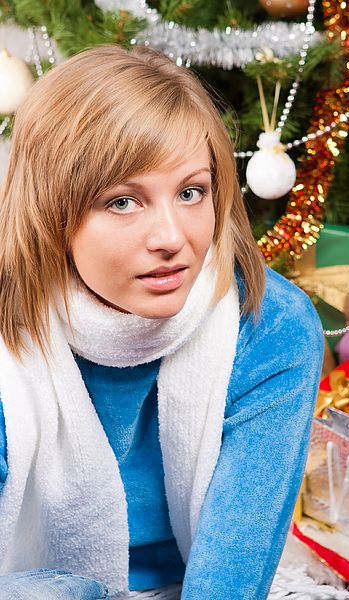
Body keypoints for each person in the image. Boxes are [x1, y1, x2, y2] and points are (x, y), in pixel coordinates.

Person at [0, 44, 324, 599]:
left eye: (191, 192)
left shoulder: (270, 327)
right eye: (124, 202)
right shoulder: (12, 328)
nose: (173, 239)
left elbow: (230, 581)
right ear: (51, 210)